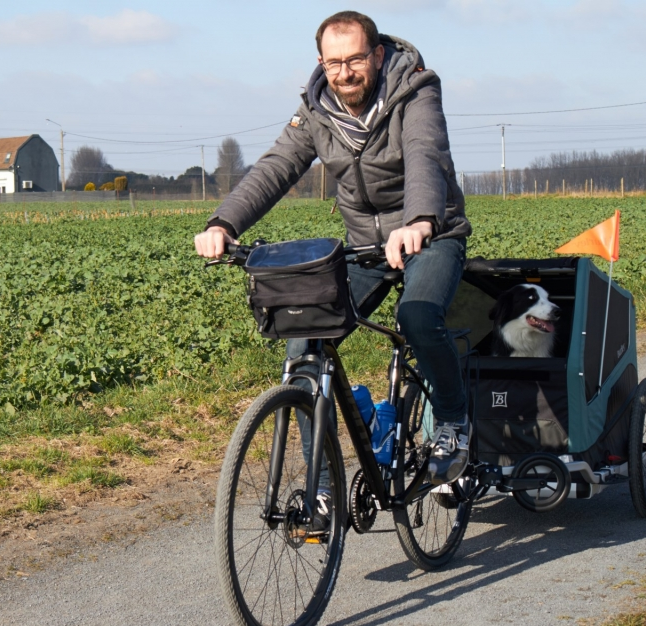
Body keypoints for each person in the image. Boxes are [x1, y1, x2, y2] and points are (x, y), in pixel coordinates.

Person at [194, 11, 473, 493]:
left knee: (420, 317)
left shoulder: (416, 90)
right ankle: (322, 488)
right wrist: (224, 221)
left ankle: (454, 423)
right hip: (365, 246)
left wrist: (420, 221)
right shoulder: (317, 109)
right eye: (334, 62)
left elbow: (426, 152)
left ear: (378, 55)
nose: (345, 73)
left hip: (431, 234)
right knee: (304, 344)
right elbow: (276, 166)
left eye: (356, 59)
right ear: (321, 63)